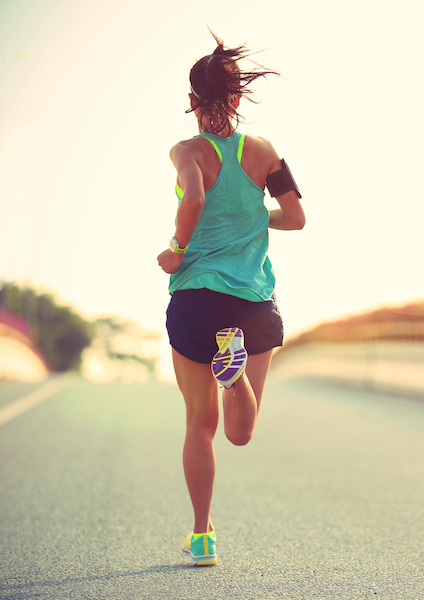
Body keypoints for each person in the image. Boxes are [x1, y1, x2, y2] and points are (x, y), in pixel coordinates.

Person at [157, 32, 305, 567]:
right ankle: (234, 372)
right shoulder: (263, 152)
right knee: (241, 432)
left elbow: (194, 196)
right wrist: (253, 217)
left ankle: (201, 536)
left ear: (192, 102)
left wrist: (176, 248)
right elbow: (296, 218)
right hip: (252, 305)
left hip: (197, 299)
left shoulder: (186, 151)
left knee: (200, 424)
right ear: (239, 100)